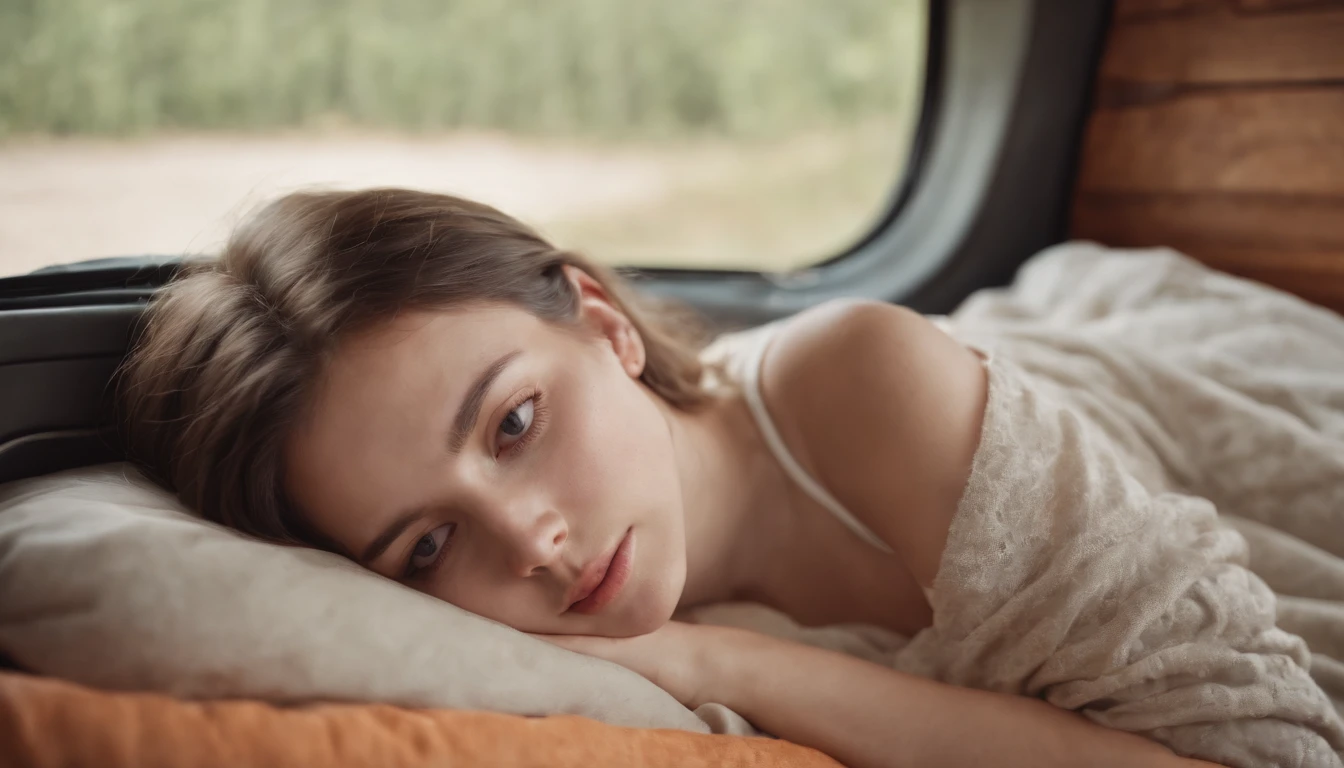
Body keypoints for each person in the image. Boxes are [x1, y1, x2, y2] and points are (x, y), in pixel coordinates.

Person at [118, 188, 1342, 768]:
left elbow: (1265, 759)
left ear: (602, 324)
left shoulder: (862, 380)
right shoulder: (533, 652)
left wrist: (724, 664)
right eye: (426, 548)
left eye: (514, 424)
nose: (533, 544)